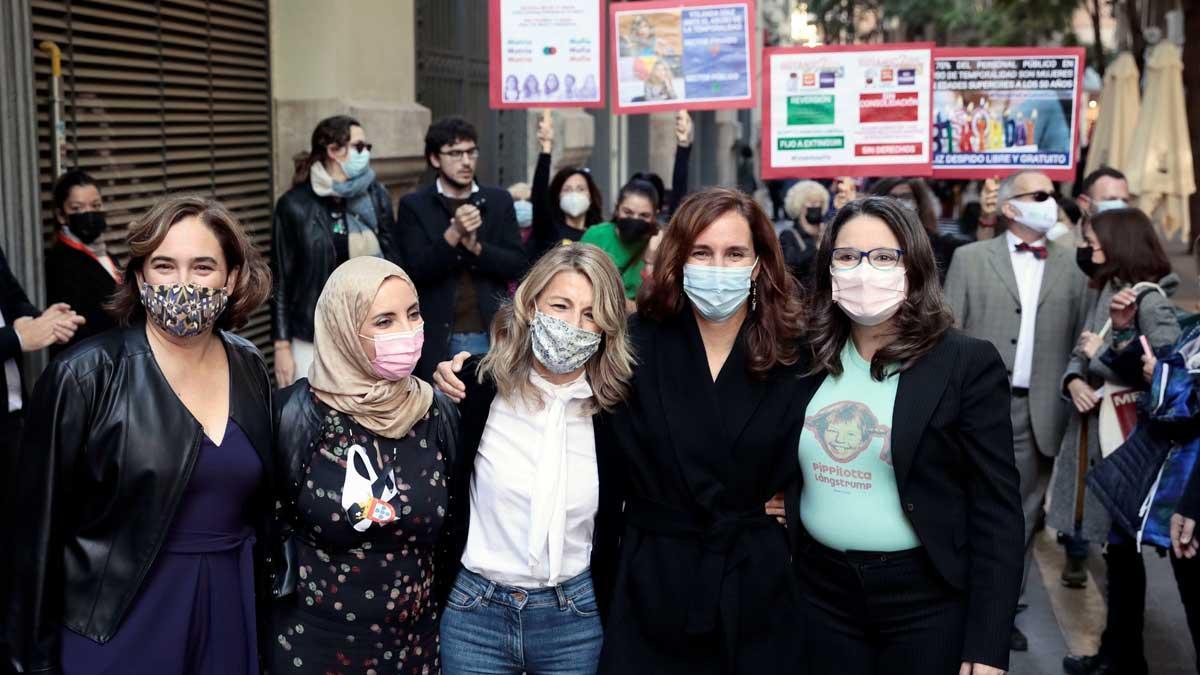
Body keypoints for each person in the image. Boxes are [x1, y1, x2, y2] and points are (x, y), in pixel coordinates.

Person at [5, 195, 274, 674]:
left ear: (231, 278)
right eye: (164, 265)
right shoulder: (85, 377)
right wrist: (36, 661)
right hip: (117, 625)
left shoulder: (249, 364)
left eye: (203, 266)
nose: (183, 283)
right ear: (139, 275)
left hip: (231, 612)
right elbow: (35, 539)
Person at [790, 196, 1023, 675]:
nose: (863, 271)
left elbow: (996, 511)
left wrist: (987, 643)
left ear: (912, 267)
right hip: (819, 594)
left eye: (883, 257)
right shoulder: (805, 357)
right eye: (848, 256)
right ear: (829, 267)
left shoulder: (965, 363)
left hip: (923, 602)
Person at [598, 188, 806, 673]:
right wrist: (470, 375)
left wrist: (796, 498)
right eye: (702, 252)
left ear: (758, 263)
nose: (719, 267)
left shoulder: (799, 354)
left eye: (735, 253)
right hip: (652, 582)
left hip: (756, 585)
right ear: (679, 258)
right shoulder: (631, 345)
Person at [432, 244, 635, 674]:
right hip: (474, 614)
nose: (572, 326)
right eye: (560, 306)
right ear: (530, 304)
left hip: (574, 619)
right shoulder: (477, 387)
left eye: (590, 313)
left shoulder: (619, 412)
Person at [269, 256, 460, 674]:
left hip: (414, 650)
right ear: (343, 328)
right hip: (313, 648)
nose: (407, 333)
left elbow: (453, 531)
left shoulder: (437, 412)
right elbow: (265, 526)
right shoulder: (296, 415)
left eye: (413, 315)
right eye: (384, 321)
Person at [943, 169, 1090, 652]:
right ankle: (956, 601)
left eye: (1053, 195)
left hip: (1041, 408)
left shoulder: (1073, 265)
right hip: (977, 408)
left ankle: (1000, 612)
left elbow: (1080, 339)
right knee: (964, 505)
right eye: (1039, 195)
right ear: (1009, 207)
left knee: (1020, 519)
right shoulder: (970, 258)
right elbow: (950, 331)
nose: (1051, 202)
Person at [1054, 208, 1181, 675]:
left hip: (1125, 443)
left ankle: (1124, 658)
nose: (1089, 248)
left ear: (1119, 242)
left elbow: (1169, 377)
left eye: (1094, 240)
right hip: (1098, 432)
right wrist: (1073, 379)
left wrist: (1099, 357)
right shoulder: (1107, 290)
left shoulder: (1149, 301)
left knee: (1123, 558)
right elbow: (1079, 348)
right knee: (1116, 556)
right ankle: (1116, 653)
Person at [271, 115, 399, 386]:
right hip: (312, 332)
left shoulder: (376, 196)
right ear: (333, 151)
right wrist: (282, 345)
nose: (366, 154)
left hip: (369, 331)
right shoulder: (294, 205)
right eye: (359, 147)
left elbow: (395, 262)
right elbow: (282, 278)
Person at [397, 116, 527, 379]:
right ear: (435, 159)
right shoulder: (416, 204)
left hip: (489, 332)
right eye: (455, 153)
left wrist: (476, 248)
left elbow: (517, 265)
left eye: (471, 152)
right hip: (437, 335)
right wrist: (453, 235)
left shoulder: (497, 200)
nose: (466, 161)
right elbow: (414, 271)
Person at [44, 169, 120, 352]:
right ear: (62, 215)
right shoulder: (60, 263)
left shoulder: (103, 252)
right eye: (77, 208)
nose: (90, 214)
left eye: (96, 205)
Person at [581, 179, 662, 312]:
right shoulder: (596, 235)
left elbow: (656, 303)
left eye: (644, 215)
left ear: (654, 215)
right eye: (627, 212)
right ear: (617, 208)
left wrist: (651, 260)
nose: (635, 219)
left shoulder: (659, 243)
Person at [867, 177, 966, 283]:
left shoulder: (943, 247)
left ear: (919, 204)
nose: (899, 203)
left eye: (906, 197)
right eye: (892, 197)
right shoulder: (866, 244)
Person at [779, 180, 829, 285]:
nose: (817, 206)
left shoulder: (826, 232)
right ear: (799, 206)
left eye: (820, 203)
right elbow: (791, 267)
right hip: (800, 297)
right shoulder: (788, 235)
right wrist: (815, 247)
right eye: (812, 203)